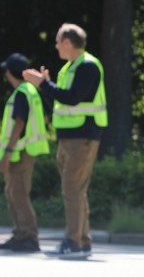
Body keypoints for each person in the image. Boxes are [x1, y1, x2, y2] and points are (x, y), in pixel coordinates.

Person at [23, 23, 106, 259]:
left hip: (82, 137)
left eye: (58, 41)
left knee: (72, 190)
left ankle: (73, 243)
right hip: (70, 137)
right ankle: (82, 241)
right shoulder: (71, 67)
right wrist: (47, 85)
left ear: (68, 42)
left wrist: (43, 84)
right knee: (75, 191)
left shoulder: (87, 66)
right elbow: (62, 102)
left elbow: (72, 98)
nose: (56, 45)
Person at [0, 53, 50, 253]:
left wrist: (7, 152)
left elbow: (19, 123)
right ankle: (20, 235)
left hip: (19, 152)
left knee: (18, 195)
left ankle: (28, 236)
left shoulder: (21, 93)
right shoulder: (31, 90)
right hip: (23, 150)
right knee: (13, 194)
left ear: (9, 72)